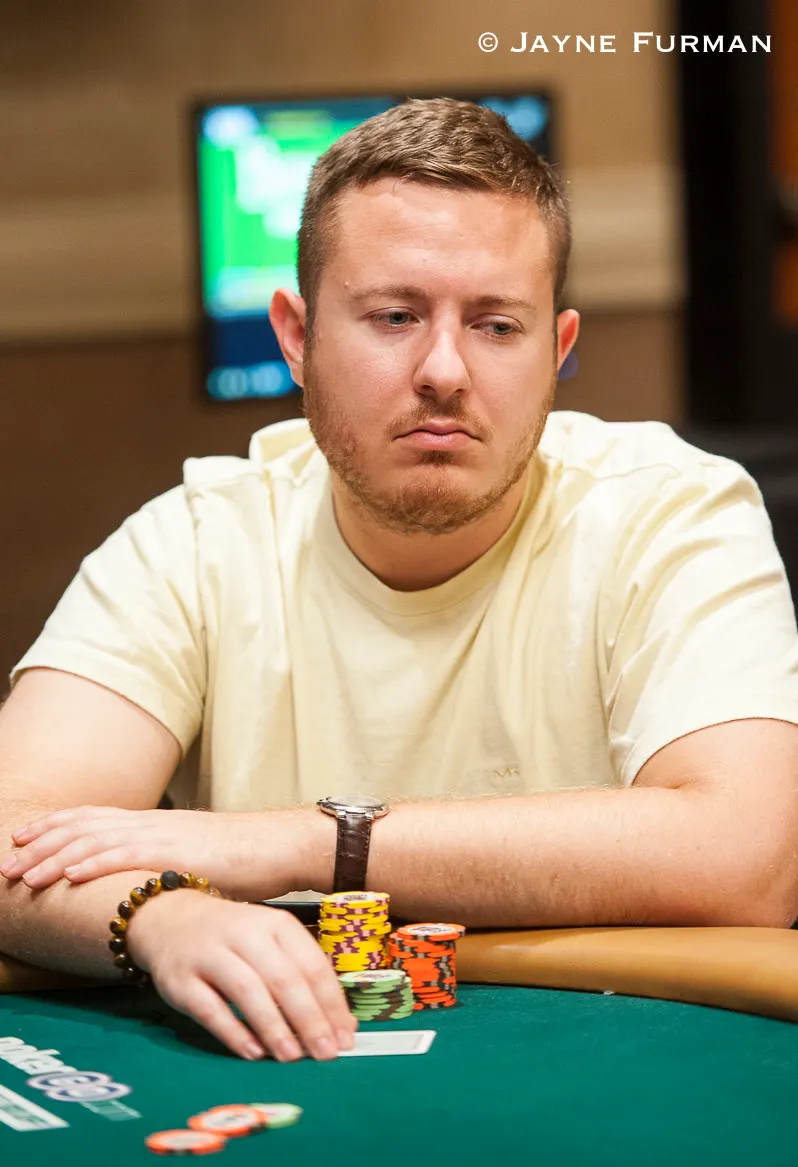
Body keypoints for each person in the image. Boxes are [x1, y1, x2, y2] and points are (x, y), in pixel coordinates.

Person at [2, 98, 798, 1066]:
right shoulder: (197, 541)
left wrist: (303, 844)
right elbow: (12, 831)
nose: (445, 371)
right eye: (395, 316)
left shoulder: (673, 511)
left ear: (557, 349)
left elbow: (747, 858)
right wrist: (160, 914)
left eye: (497, 325)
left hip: (616, 1068)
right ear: (296, 336)